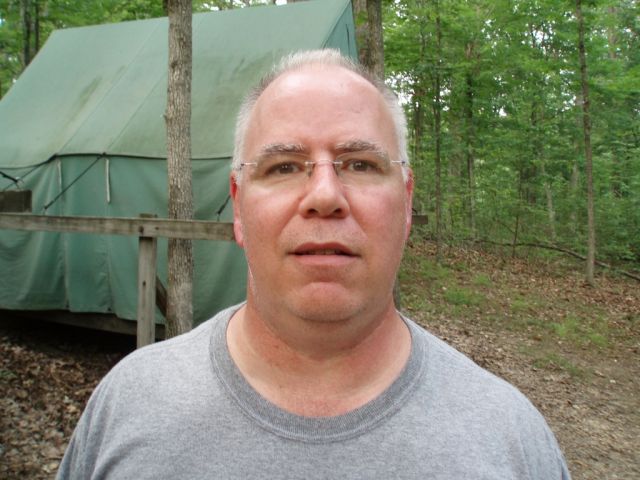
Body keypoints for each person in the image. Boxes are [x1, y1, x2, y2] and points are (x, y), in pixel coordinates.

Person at [57, 49, 571, 479]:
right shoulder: (130, 404)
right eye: (284, 166)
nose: (325, 196)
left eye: (360, 164)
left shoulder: (510, 440)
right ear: (238, 207)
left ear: (407, 202)